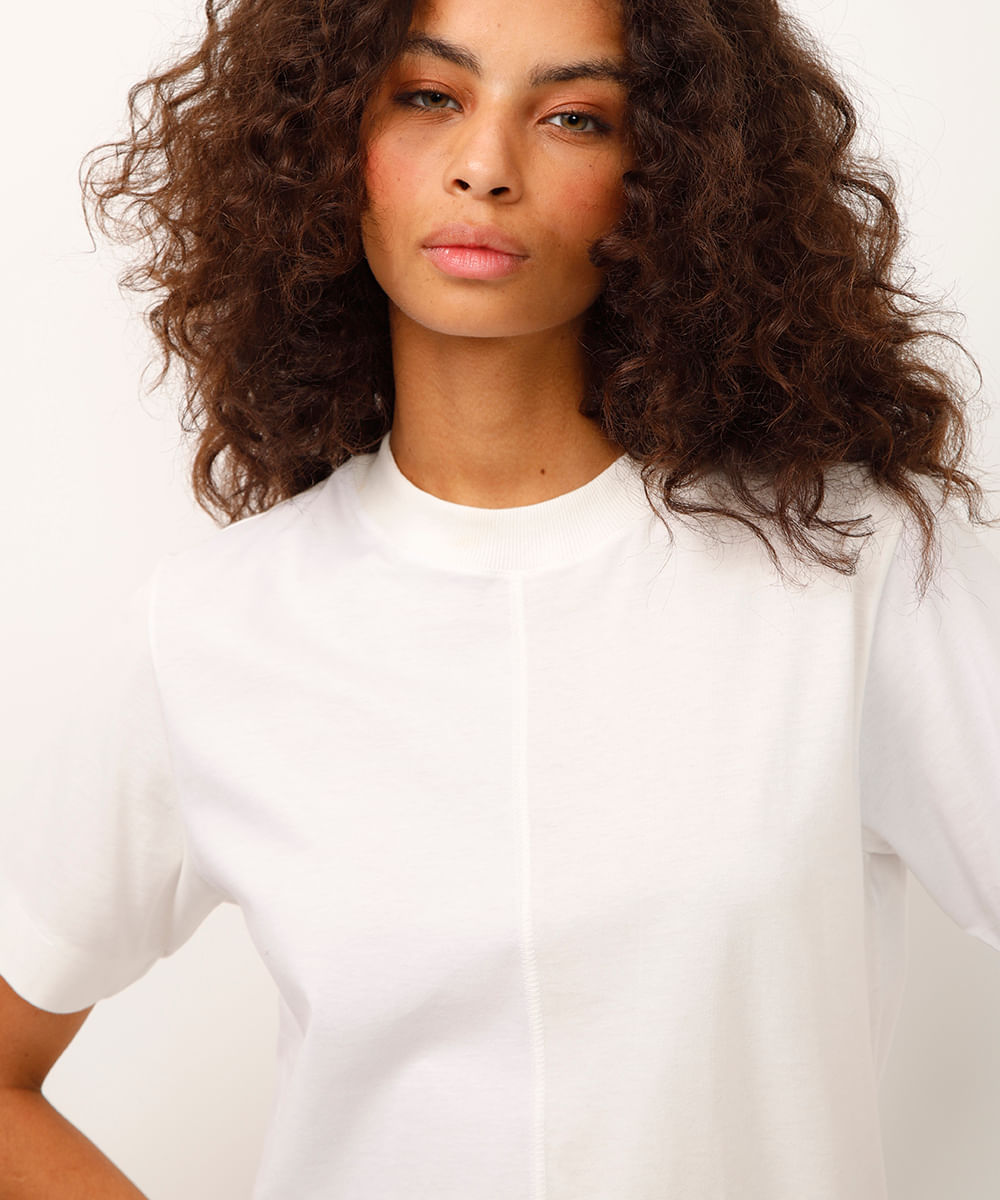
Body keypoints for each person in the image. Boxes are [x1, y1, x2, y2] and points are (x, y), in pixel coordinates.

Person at [1, 0, 997, 1195]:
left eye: (574, 117)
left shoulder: (849, 570)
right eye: (429, 97)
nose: (484, 166)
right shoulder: (211, 629)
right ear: (328, 141)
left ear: (670, 176)